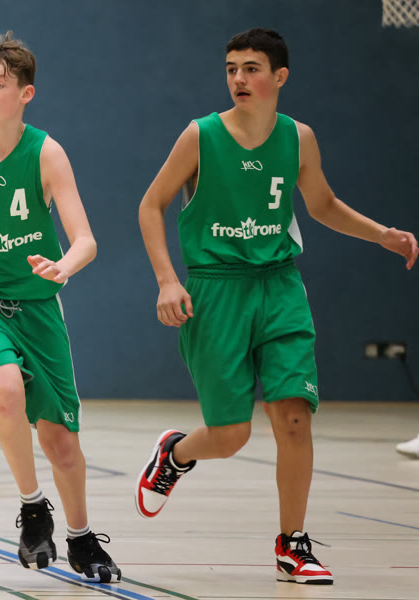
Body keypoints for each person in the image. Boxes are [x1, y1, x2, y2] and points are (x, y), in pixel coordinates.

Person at [135, 28, 417, 585]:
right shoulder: (200, 135)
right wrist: (167, 281)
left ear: (280, 76)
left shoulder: (298, 138)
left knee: (292, 416)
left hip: (280, 286)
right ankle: (177, 453)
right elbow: (150, 205)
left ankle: (293, 543)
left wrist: (381, 234)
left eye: (252, 68)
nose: (239, 78)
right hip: (216, 289)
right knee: (230, 436)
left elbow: (323, 204)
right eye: (231, 69)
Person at [0, 32, 120, 582]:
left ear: (26, 93)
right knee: (5, 388)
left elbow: (85, 239)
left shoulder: (46, 153)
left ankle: (81, 536)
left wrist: (64, 266)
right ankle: (33, 508)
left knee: (61, 442)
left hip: (36, 302)